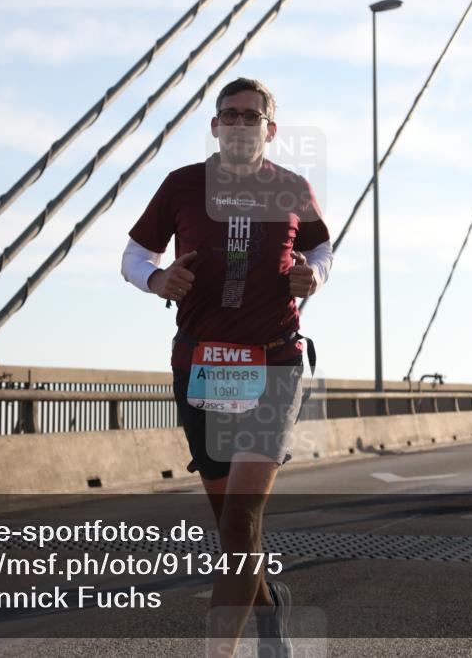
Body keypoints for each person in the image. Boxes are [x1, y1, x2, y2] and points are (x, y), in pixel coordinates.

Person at [121, 77, 332, 657]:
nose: (240, 125)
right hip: (202, 365)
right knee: (235, 534)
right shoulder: (183, 184)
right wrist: (157, 279)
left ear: (270, 128)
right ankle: (270, 614)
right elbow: (136, 254)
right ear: (215, 126)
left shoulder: (292, 188)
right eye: (229, 116)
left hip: (275, 362)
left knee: (239, 527)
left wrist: (315, 274)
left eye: (251, 116)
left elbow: (320, 247)